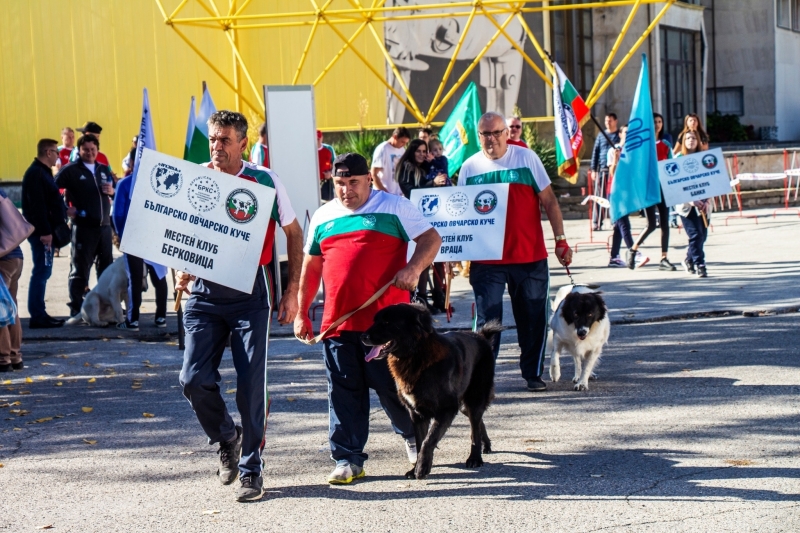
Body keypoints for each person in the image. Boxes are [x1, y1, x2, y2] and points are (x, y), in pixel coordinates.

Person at [175, 111, 303, 502]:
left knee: (251, 386)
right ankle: (227, 437)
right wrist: (178, 268)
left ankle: (251, 469)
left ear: (243, 143)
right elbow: (176, 230)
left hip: (251, 296)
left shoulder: (264, 181)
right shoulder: (195, 176)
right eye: (213, 139)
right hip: (203, 295)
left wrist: (293, 289)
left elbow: (294, 233)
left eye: (225, 140)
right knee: (192, 380)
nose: (216, 147)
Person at [294, 152, 442, 485]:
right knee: (344, 392)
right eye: (340, 183)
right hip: (337, 324)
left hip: (387, 329)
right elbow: (311, 267)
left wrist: (414, 268)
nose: (347, 191)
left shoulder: (394, 207)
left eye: (354, 183)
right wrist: (302, 312)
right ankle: (348, 458)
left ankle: (413, 438)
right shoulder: (323, 216)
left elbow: (431, 239)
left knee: (394, 390)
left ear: (369, 181)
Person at [458, 112, 572, 392]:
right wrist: (456, 252)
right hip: (487, 260)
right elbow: (459, 211)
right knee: (488, 320)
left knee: (533, 318)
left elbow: (550, 201)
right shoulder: (470, 167)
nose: (491, 139)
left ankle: (532, 374)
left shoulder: (526, 158)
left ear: (507, 134)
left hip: (529, 257)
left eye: (497, 132)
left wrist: (560, 240)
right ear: (478, 136)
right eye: (485, 134)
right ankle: (481, 380)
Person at [56, 134, 115, 318]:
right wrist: (66, 208)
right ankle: (76, 307)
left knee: (106, 270)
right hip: (83, 228)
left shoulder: (103, 169)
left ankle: (104, 309)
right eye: (86, 150)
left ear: (97, 150)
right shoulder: (71, 170)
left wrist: (112, 191)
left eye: (93, 150)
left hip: (104, 228)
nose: (89, 153)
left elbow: (116, 192)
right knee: (80, 269)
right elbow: (52, 191)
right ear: (79, 150)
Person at [112, 148, 168, 331]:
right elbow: (118, 215)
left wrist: (122, 235)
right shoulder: (129, 184)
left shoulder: (154, 184)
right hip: (139, 237)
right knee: (151, 277)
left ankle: (136, 319)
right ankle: (155, 317)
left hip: (147, 236)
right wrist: (123, 236)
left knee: (145, 277)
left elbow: (118, 215)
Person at [21, 139, 66, 328]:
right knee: (41, 272)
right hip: (42, 235)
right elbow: (38, 207)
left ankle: (40, 312)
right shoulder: (37, 174)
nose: (58, 156)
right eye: (56, 152)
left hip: (45, 232)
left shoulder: (42, 173)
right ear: (48, 153)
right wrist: (46, 233)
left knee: (43, 272)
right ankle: (37, 315)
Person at [627, 113, 676, 271]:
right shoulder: (644, 145)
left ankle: (664, 258)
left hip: (663, 188)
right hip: (648, 187)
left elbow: (671, 166)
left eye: (660, 121)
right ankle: (633, 250)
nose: (657, 124)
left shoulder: (666, 144)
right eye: (654, 121)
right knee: (651, 224)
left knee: (664, 224)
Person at [606, 126, 647, 268]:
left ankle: (614, 257)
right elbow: (612, 173)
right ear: (620, 134)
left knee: (619, 225)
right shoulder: (613, 150)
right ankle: (633, 251)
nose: (628, 135)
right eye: (626, 132)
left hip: (628, 191)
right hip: (615, 192)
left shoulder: (633, 151)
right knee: (624, 223)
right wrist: (617, 159)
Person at [674, 131, 710, 277]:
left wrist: (706, 200)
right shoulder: (678, 159)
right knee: (695, 234)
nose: (691, 140)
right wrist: (691, 200)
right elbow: (675, 186)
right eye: (688, 138)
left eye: (694, 138)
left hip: (704, 204)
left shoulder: (705, 159)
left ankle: (689, 259)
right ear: (683, 141)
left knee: (703, 235)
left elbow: (711, 180)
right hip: (686, 206)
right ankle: (700, 264)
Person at [0, 189, 24, 373]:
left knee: (1, 308)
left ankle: (3, 358)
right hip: (16, 255)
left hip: (3, 257)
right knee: (11, 306)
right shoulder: (2, 193)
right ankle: (16, 357)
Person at [589, 113, 620, 230]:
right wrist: (593, 169)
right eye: (606, 121)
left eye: (610, 120)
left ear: (615, 121)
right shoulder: (601, 135)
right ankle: (597, 222)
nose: (608, 123)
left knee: (614, 197)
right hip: (602, 170)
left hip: (615, 170)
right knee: (599, 197)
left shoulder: (619, 135)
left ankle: (615, 221)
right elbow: (595, 153)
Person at [370, 127, 410, 195]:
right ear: (395, 137)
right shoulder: (382, 149)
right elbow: (373, 174)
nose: (404, 145)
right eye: (402, 142)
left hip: (397, 195)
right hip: (383, 195)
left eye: (406, 143)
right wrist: (384, 192)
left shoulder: (402, 150)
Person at [317, 130, 336, 201]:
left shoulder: (328, 149)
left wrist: (330, 173)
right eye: (315, 139)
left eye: (318, 139)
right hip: (312, 182)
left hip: (325, 182)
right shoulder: (309, 149)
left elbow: (335, 165)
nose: (317, 141)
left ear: (322, 138)